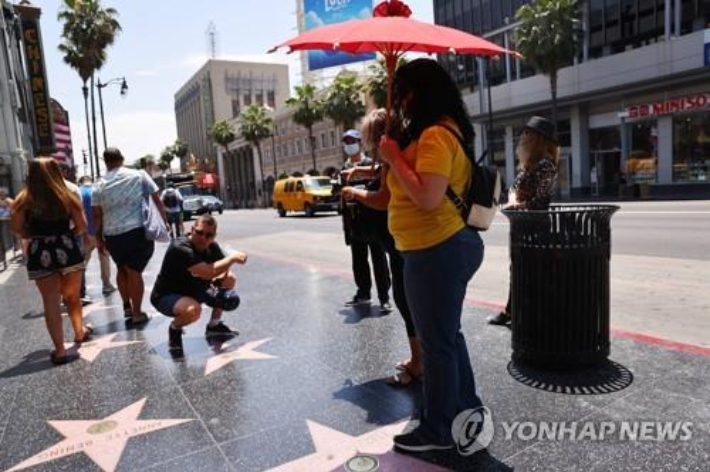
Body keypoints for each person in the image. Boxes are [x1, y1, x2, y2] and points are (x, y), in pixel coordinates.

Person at [378, 58, 486, 451]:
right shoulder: (432, 134)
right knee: (446, 338)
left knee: (437, 344)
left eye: (403, 94)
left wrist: (393, 158)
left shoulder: (437, 136)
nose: (401, 103)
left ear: (417, 94)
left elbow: (427, 196)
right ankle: (466, 410)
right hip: (436, 249)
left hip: (437, 249)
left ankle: (438, 430)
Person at [341, 109, 422, 387]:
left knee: (406, 299)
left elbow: (383, 198)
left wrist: (355, 192)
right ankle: (420, 357)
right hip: (403, 240)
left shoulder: (393, 154)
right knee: (409, 300)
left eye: (367, 138)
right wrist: (360, 171)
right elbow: (382, 170)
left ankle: (418, 362)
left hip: (404, 242)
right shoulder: (398, 152)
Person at [10, 158, 92, 364]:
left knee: (50, 301)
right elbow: (82, 225)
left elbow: (18, 228)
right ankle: (79, 332)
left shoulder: (23, 199)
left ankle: (60, 350)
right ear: (57, 173)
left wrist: (38, 235)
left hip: (40, 251)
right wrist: (66, 236)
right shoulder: (68, 195)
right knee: (73, 296)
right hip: (67, 248)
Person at [488, 116, 559, 326]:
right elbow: (513, 189)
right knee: (517, 269)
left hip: (535, 228)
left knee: (530, 271)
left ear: (539, 138)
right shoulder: (529, 164)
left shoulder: (545, 164)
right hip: (521, 226)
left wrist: (518, 206)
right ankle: (513, 311)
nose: (523, 137)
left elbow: (541, 200)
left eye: (528, 133)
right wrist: (513, 200)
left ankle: (525, 313)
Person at [150, 214, 246, 354]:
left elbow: (222, 270)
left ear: (214, 236)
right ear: (192, 229)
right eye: (199, 232)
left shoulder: (211, 246)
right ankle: (175, 328)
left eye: (208, 235)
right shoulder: (180, 247)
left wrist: (218, 284)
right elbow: (208, 272)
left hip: (195, 289)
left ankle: (214, 325)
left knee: (230, 278)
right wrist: (232, 258)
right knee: (193, 311)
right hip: (167, 296)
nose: (203, 238)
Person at [92, 147, 167, 325]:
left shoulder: (99, 183)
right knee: (134, 271)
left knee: (121, 268)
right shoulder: (139, 175)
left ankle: (126, 305)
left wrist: (99, 238)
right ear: (122, 158)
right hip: (136, 230)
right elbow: (157, 199)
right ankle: (137, 312)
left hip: (112, 235)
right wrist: (164, 222)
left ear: (106, 162)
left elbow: (97, 214)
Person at [339, 128, 392, 312]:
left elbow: (379, 190)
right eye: (346, 142)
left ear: (360, 143)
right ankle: (363, 293)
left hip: (373, 219)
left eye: (352, 141)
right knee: (358, 260)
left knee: (379, 260)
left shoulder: (372, 165)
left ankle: (384, 297)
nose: (349, 145)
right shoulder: (344, 169)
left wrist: (358, 192)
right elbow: (340, 196)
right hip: (354, 221)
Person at [78, 176, 116, 300]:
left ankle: (79, 287)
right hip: (100, 231)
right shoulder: (98, 191)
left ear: (81, 182)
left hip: (85, 233)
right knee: (104, 258)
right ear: (91, 181)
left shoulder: (78, 191)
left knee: (82, 261)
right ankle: (106, 285)